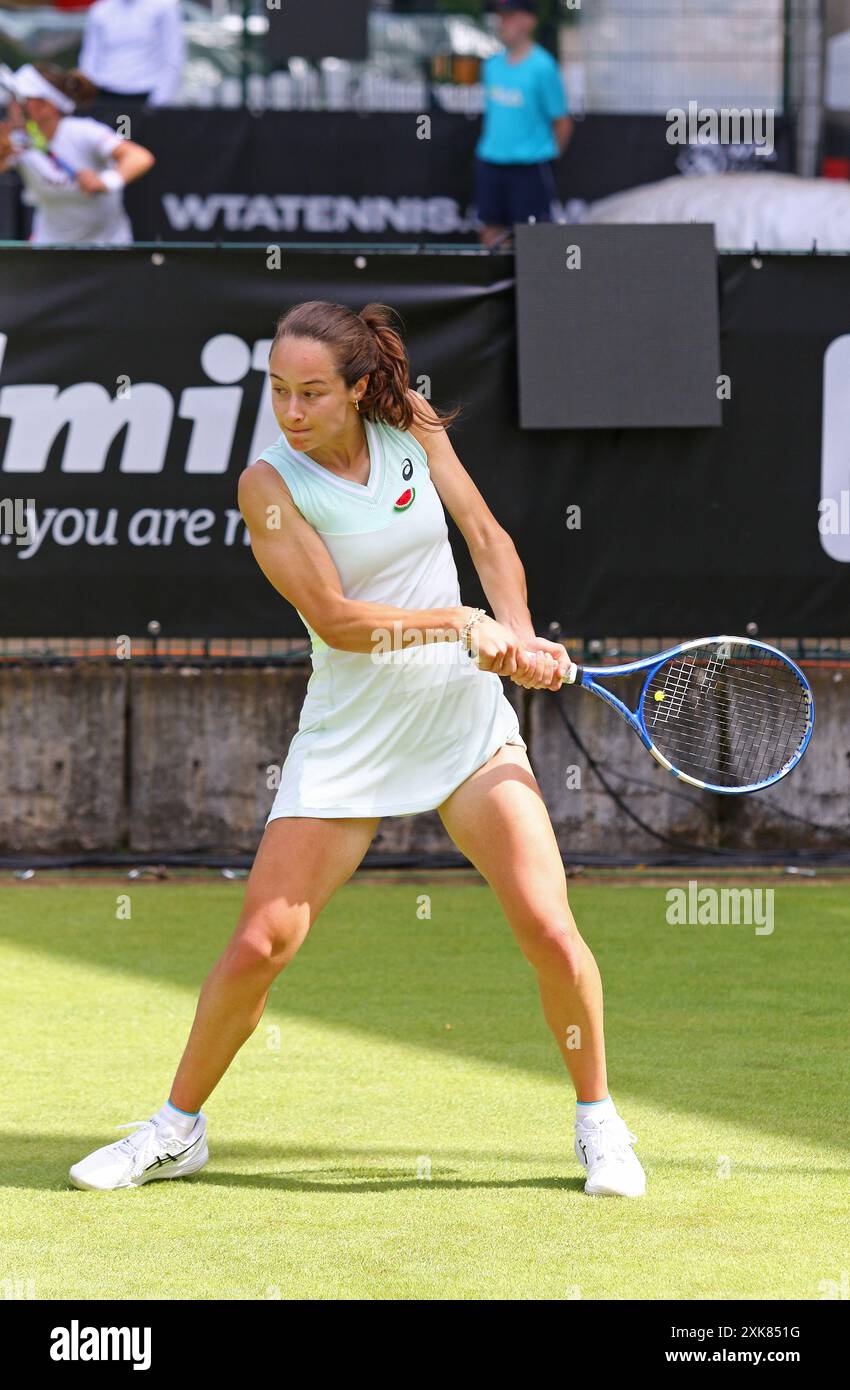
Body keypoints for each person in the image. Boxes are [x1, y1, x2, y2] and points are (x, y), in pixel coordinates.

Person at [67, 301, 646, 1200]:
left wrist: (520, 639)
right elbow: (337, 622)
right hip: (351, 736)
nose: (290, 412)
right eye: (277, 392)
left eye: (310, 394)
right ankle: (176, 1130)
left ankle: (599, 1122)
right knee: (261, 943)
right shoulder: (268, 488)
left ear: (361, 389)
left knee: (547, 928)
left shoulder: (410, 425)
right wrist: (462, 625)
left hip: (462, 723)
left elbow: (488, 541)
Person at [0, 63, 155, 244]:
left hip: (108, 250)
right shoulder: (17, 140)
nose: (11, 106)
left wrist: (104, 181)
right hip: (47, 250)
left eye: (19, 99)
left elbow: (139, 157)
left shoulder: (83, 131)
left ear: (46, 106)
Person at [476, 0, 573, 247]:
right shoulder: (492, 66)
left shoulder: (543, 67)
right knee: (490, 230)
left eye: (510, 15)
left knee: (533, 237)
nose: (502, 22)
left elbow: (562, 122)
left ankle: (532, 286)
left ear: (529, 21)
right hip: (491, 162)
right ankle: (500, 286)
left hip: (529, 167)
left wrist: (544, 157)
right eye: (501, 16)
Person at [78, 0, 185, 105]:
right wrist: (88, 96)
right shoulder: (100, 10)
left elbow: (173, 58)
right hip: (105, 93)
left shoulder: (165, 6)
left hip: (146, 94)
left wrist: (158, 101)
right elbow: (89, 58)